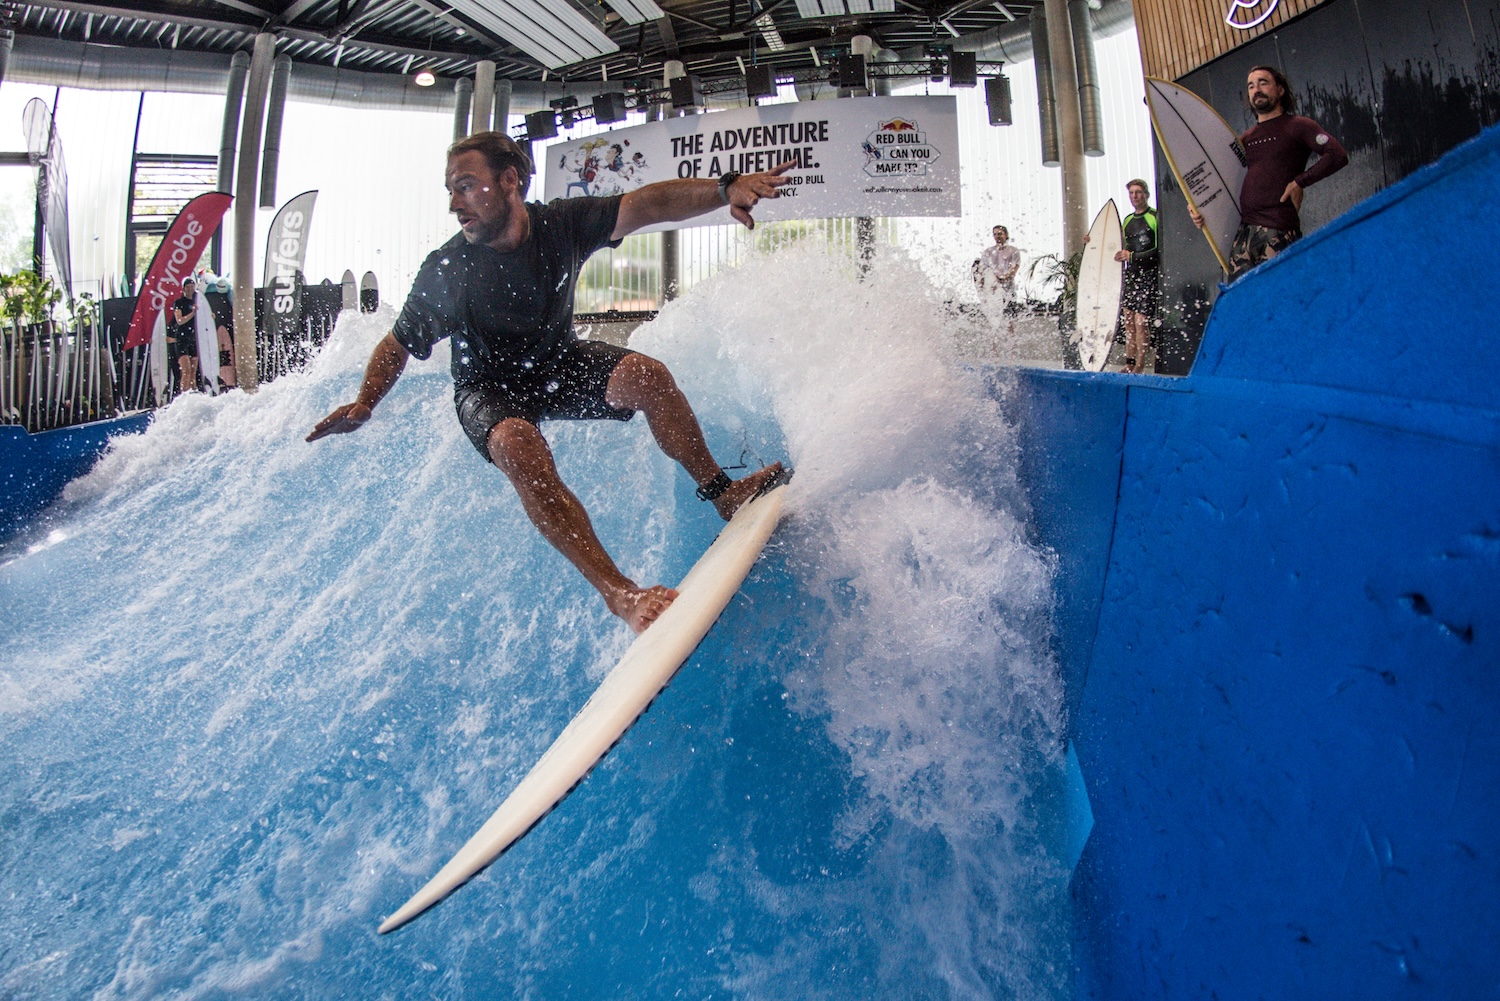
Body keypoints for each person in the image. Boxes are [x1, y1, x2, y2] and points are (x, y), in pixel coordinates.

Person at [307, 132, 790, 635]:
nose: (454, 204)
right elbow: (397, 342)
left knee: (648, 376)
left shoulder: (560, 225)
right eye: (451, 190)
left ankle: (722, 492)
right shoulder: (448, 270)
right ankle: (619, 593)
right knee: (518, 443)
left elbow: (646, 205)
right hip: (488, 391)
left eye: (467, 187)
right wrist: (366, 402)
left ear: (510, 181)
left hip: (558, 364)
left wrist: (723, 189)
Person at [1190, 65, 1348, 280]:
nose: (1256, 89)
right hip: (1243, 235)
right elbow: (1219, 181)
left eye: (1263, 82)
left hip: (1278, 229)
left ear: (1280, 90)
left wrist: (1300, 182)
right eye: (1251, 86)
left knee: (1280, 299)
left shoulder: (1298, 125)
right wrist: (1201, 208)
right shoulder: (1245, 139)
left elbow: (1337, 155)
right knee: (1245, 305)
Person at [1116, 180, 1159, 373]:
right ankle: (1129, 362)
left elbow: (1159, 250)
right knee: (1128, 321)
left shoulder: (1154, 217)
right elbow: (1120, 246)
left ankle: (1141, 365)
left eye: (1138, 192)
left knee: (1141, 322)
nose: (1135, 196)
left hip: (1148, 275)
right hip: (1131, 276)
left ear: (1146, 195)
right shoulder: (1127, 221)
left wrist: (1131, 256)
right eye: (1132, 193)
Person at [170, 278, 200, 395]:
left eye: (192, 287)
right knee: (186, 370)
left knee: (193, 370)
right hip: (182, 339)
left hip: (193, 339)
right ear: (183, 289)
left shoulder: (198, 301)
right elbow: (180, 321)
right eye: (187, 287)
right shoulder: (179, 303)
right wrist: (192, 313)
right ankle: (183, 395)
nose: (190, 289)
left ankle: (193, 394)